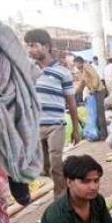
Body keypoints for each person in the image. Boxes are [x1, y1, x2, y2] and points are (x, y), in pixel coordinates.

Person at [25, 28, 80, 198]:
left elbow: (71, 102)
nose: (30, 49)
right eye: (28, 46)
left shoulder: (62, 72)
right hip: (35, 126)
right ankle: (62, 190)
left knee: (56, 164)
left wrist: (76, 129)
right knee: (46, 167)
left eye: (34, 45)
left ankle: (61, 201)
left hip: (56, 124)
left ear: (46, 46)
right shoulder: (27, 69)